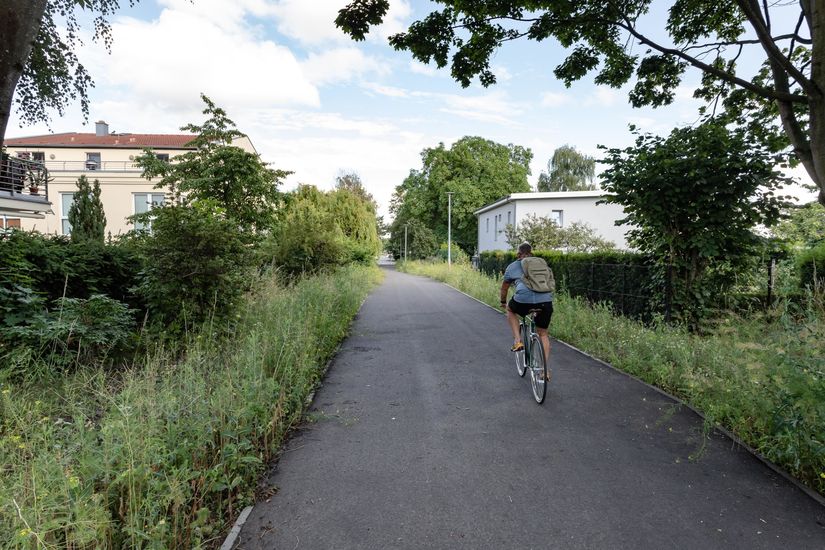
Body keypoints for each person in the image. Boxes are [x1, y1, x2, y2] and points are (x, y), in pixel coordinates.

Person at [499, 242, 553, 364]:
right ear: (531, 253)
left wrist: (503, 302)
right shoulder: (541, 264)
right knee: (543, 334)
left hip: (523, 301)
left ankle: (518, 341)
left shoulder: (512, 266)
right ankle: (544, 371)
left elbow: (504, 288)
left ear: (518, 254)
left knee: (510, 309)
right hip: (545, 301)